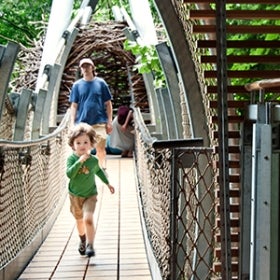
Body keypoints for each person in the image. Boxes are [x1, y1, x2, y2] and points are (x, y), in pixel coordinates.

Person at [66, 122, 115, 258]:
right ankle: (82, 240)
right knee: (79, 220)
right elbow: (69, 174)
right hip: (75, 195)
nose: (82, 146)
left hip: (90, 195)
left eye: (85, 142)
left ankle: (90, 245)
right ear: (73, 145)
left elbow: (98, 171)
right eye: (78, 143)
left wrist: (108, 183)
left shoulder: (93, 160)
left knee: (88, 219)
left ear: (91, 144)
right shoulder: (71, 159)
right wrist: (80, 161)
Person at [69, 57, 113, 169]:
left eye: (88, 66)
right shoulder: (77, 85)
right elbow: (74, 106)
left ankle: (101, 168)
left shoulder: (101, 83)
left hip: (99, 122)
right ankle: (84, 170)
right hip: (83, 124)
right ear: (80, 69)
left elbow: (108, 103)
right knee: (83, 149)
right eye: (83, 66)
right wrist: (72, 123)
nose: (86, 68)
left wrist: (109, 121)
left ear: (92, 68)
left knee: (101, 148)